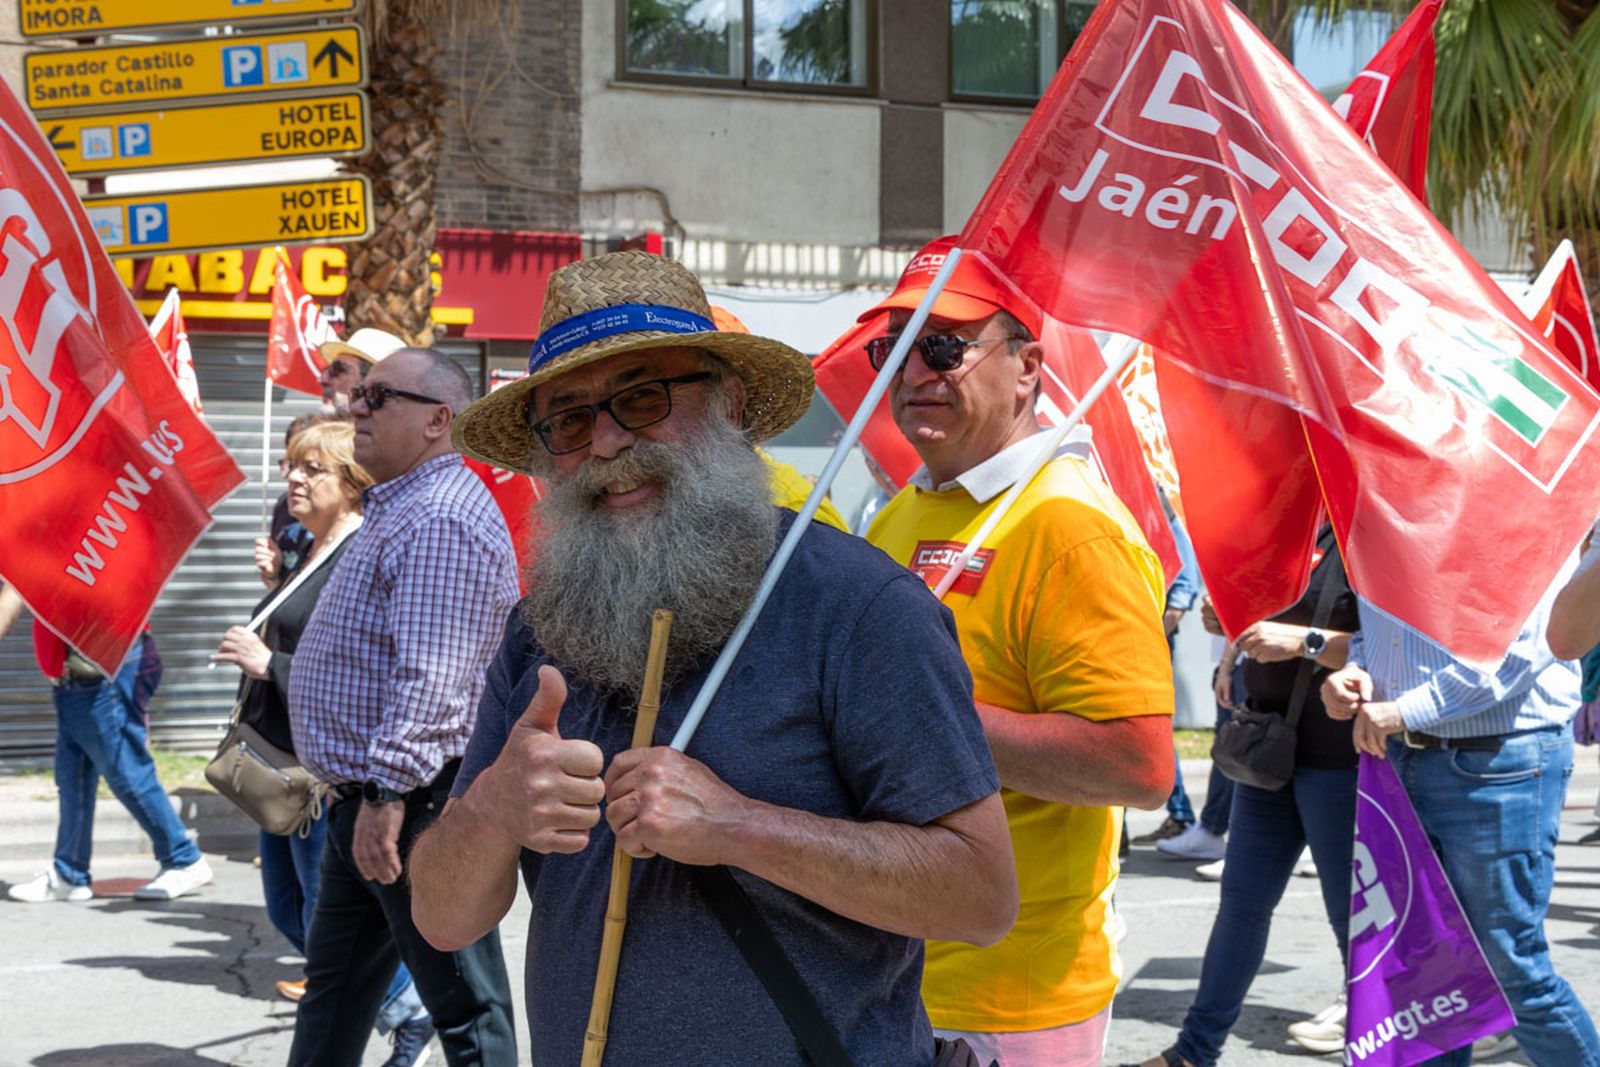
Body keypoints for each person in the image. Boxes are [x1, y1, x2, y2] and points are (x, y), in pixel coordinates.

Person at [410, 251, 1018, 1065]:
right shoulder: (539, 628)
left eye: (643, 397)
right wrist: (492, 808)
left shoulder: (860, 607)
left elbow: (980, 894)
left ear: (729, 402)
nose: (608, 442)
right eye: (570, 420)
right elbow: (441, 917)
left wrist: (738, 826)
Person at [862, 236, 1174, 1065]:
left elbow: (1139, 766)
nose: (914, 373)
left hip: (1014, 997)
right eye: (894, 349)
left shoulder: (1069, 524)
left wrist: (923, 718)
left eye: (943, 347)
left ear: (1027, 365)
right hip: (892, 970)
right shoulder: (903, 511)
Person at [286, 346, 521, 1066]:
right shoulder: (405, 505)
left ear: (437, 421)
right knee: (333, 996)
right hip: (371, 799)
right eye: (362, 391)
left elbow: (435, 676)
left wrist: (388, 794)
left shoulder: (439, 516)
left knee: (466, 1008)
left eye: (380, 396)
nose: (357, 405)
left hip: (415, 802)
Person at [212, 421, 434, 1064]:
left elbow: (359, 669)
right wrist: (274, 584)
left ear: (351, 482)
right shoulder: (310, 550)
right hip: (276, 758)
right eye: (292, 466)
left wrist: (268, 665)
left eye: (313, 469)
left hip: (319, 773)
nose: (295, 479)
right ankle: (404, 1006)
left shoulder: (357, 551)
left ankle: (409, 1009)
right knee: (288, 910)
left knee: (326, 923)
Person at [1322, 576, 1600, 1067]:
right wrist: (1357, 668)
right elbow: (1381, 623)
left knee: (1511, 970)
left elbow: (1527, 644)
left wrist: (1406, 708)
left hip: (1497, 759)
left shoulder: (1522, 525)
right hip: (1404, 748)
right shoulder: (1386, 529)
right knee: (1431, 971)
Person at [1137, 528, 1360, 1067]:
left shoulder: (1365, 534)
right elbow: (1261, 616)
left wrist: (1303, 642)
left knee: (1350, 917)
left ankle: (1381, 1043)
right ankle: (1194, 1052)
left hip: (1338, 761)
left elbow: (1391, 648)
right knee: (1241, 908)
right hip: (1267, 751)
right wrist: (1231, 635)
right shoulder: (1288, 529)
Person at [8, 625, 211, 903]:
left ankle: (184, 859)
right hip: (77, 677)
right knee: (74, 780)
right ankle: (70, 873)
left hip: (103, 673)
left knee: (127, 772)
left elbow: (13, 602)